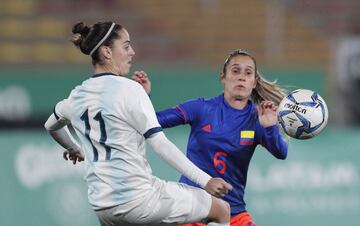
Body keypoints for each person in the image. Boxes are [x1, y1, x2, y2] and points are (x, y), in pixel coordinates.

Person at [44, 21, 233, 226]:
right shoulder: (129, 89)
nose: (132, 52)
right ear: (107, 52)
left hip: (102, 206)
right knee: (221, 210)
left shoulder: (77, 96)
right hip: (139, 200)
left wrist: (74, 148)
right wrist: (206, 181)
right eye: (126, 46)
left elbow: (51, 125)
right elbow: (161, 145)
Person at [133, 49, 289, 226]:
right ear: (223, 77)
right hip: (193, 207)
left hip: (233, 211)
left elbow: (281, 153)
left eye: (248, 73)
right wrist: (145, 96)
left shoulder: (257, 119)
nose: (241, 77)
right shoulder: (201, 108)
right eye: (235, 71)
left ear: (254, 82)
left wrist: (269, 126)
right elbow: (155, 121)